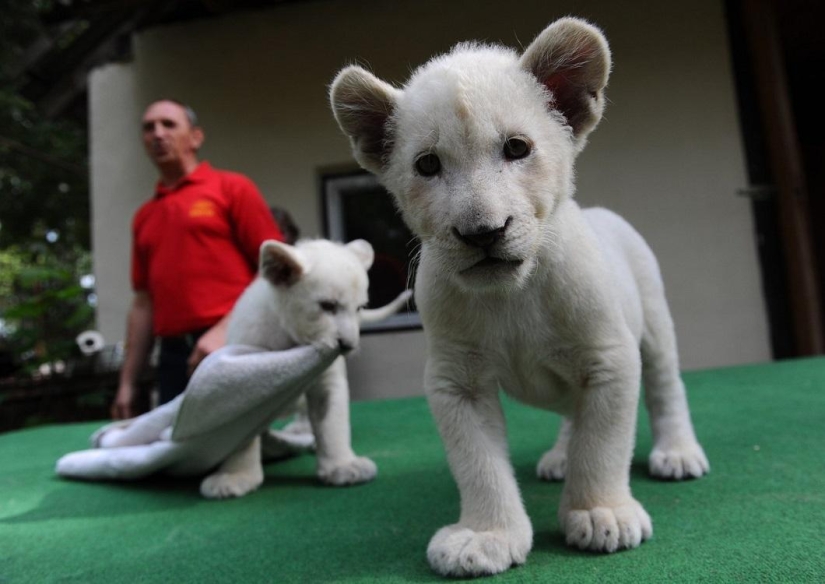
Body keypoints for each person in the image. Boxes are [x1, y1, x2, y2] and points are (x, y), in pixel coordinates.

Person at [110, 99, 284, 420]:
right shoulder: (144, 217)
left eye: (168, 124)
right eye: (149, 128)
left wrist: (223, 330)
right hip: (173, 357)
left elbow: (274, 269)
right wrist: (127, 383)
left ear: (196, 137)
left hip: (233, 343)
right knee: (175, 452)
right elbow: (143, 304)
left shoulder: (232, 188)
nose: (157, 134)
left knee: (239, 455)